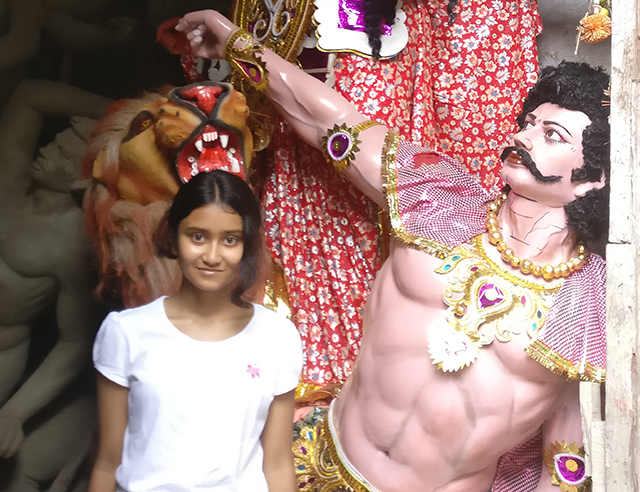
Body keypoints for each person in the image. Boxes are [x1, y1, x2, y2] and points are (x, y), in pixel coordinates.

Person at [176, 10, 608, 492]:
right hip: (318, 461)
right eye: (529, 123)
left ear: (595, 179)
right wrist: (238, 43)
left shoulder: (589, 303)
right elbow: (329, 121)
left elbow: (566, 459)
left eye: (552, 136)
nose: (523, 137)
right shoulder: (437, 196)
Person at [88, 170, 303, 492]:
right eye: (198, 236)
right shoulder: (126, 333)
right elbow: (108, 462)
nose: (212, 256)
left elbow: (278, 464)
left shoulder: (277, 337)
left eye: (230, 240)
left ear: (247, 245)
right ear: (174, 236)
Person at [0, 80, 110, 492]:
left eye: (64, 151)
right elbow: (29, 96)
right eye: (57, 140)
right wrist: (120, 110)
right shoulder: (9, 182)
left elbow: (74, 343)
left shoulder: (73, 245)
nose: (48, 148)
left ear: (81, 179)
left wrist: (14, 412)